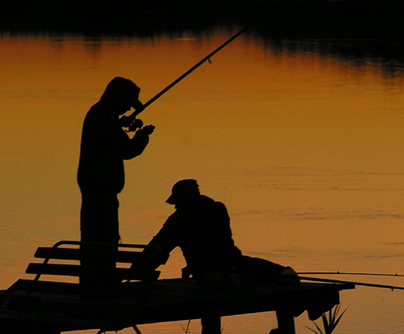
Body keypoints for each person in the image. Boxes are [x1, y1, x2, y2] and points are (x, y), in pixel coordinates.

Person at [137, 179, 298, 286]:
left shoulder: (179, 219)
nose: (175, 206)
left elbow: (158, 248)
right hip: (232, 262)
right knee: (272, 271)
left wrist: (136, 271)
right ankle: (288, 280)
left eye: (176, 202)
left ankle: (284, 281)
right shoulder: (217, 209)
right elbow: (218, 244)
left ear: (182, 200)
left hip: (208, 273)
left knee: (254, 272)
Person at [77, 76, 155, 284]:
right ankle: (100, 284)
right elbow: (126, 150)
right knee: (104, 238)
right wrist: (143, 136)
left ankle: (95, 282)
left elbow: (109, 140)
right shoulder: (105, 117)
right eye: (126, 104)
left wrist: (119, 125)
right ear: (117, 98)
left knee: (95, 237)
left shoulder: (100, 114)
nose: (127, 109)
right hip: (101, 189)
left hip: (96, 188)